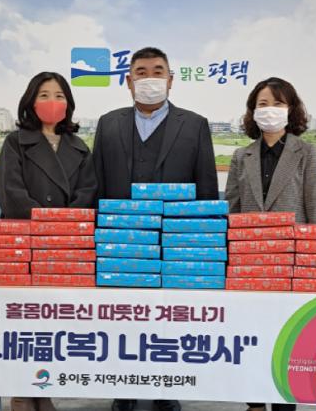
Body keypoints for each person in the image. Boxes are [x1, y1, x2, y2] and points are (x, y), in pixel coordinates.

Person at [92, 47, 219, 411]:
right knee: (123, 318)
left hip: (174, 242)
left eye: (158, 71)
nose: (150, 79)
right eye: (142, 72)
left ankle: (166, 388)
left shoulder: (194, 124)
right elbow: (97, 182)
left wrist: (202, 243)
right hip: (121, 242)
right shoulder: (108, 123)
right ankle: (124, 388)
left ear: (171, 80)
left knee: (168, 320)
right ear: (128, 81)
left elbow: (206, 186)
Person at [0, 71, 97, 411]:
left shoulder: (80, 148)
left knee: (53, 324)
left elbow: (88, 192)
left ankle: (43, 389)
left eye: (59, 95)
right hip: (26, 244)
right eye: (44, 95)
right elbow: (11, 193)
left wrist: (63, 226)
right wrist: (46, 222)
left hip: (65, 246)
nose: (52, 102)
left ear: (68, 104)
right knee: (24, 323)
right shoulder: (16, 143)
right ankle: (22, 391)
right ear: (30, 101)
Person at [225, 77, 316, 411]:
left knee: (286, 339)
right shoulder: (241, 156)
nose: (270, 110)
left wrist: (314, 263)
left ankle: (285, 403)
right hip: (249, 261)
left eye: (278, 103)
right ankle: (254, 404)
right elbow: (231, 209)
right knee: (251, 338)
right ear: (252, 111)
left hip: (291, 262)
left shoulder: (307, 153)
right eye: (263, 104)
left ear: (291, 109)